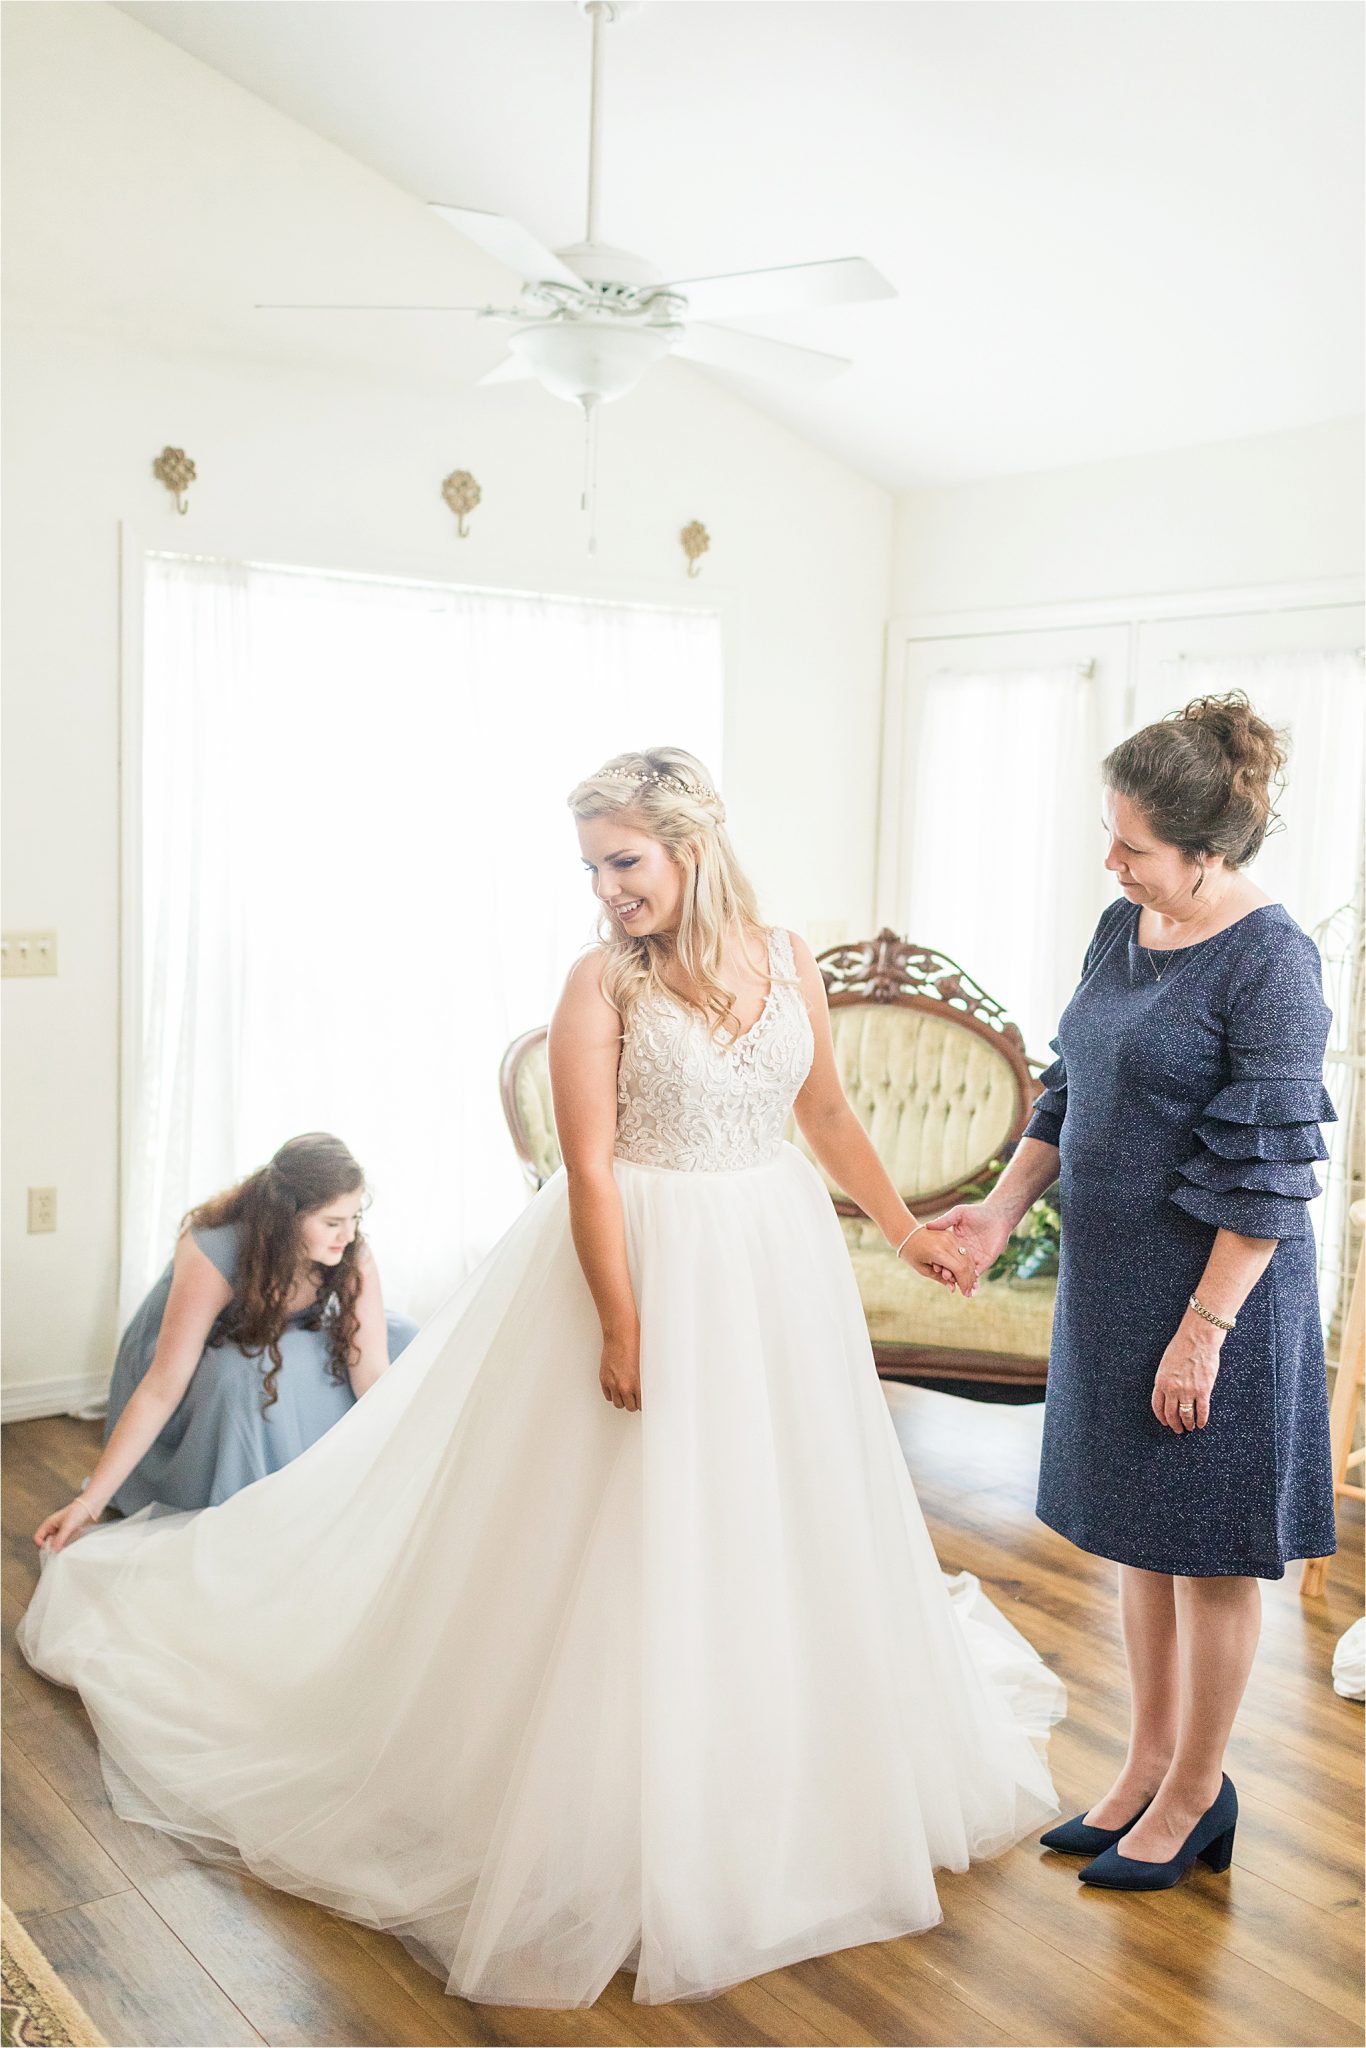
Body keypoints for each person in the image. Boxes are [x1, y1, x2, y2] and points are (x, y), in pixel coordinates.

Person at [20, 749, 1062, 2010]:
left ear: (691, 843)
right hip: (642, 1260)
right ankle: (613, 1790)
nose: (606, 887)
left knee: (765, 1509)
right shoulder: (597, 983)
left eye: (624, 860)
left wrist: (904, 1232)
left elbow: (828, 1116)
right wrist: (623, 1325)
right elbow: (592, 1168)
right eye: (592, 866)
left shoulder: (786, 957)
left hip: (773, 1266)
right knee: (621, 1527)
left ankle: (759, 1758)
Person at [934, 693, 1336, 1893]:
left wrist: (1203, 1332)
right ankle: (1146, 1766)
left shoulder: (1272, 962)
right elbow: (1073, 1085)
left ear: (1209, 853)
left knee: (1207, 1556)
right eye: (1109, 836)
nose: (1110, 861)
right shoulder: (1122, 926)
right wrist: (1001, 1208)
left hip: (1218, 1299)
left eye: (1134, 846)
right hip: (1112, 1286)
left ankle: (1197, 1791)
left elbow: (1269, 1177)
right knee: (1138, 1545)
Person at [34, 1133, 418, 1537]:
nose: (349, 1235)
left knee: (403, 1337)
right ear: (288, 1218)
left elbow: (372, 1370)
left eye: (355, 1218)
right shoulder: (214, 1249)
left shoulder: (349, 1252)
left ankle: (320, 1481)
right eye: (332, 1223)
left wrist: (407, 1458)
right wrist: (88, 1502)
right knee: (246, 1376)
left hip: (284, 1331)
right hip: (194, 1346)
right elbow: (162, 1386)